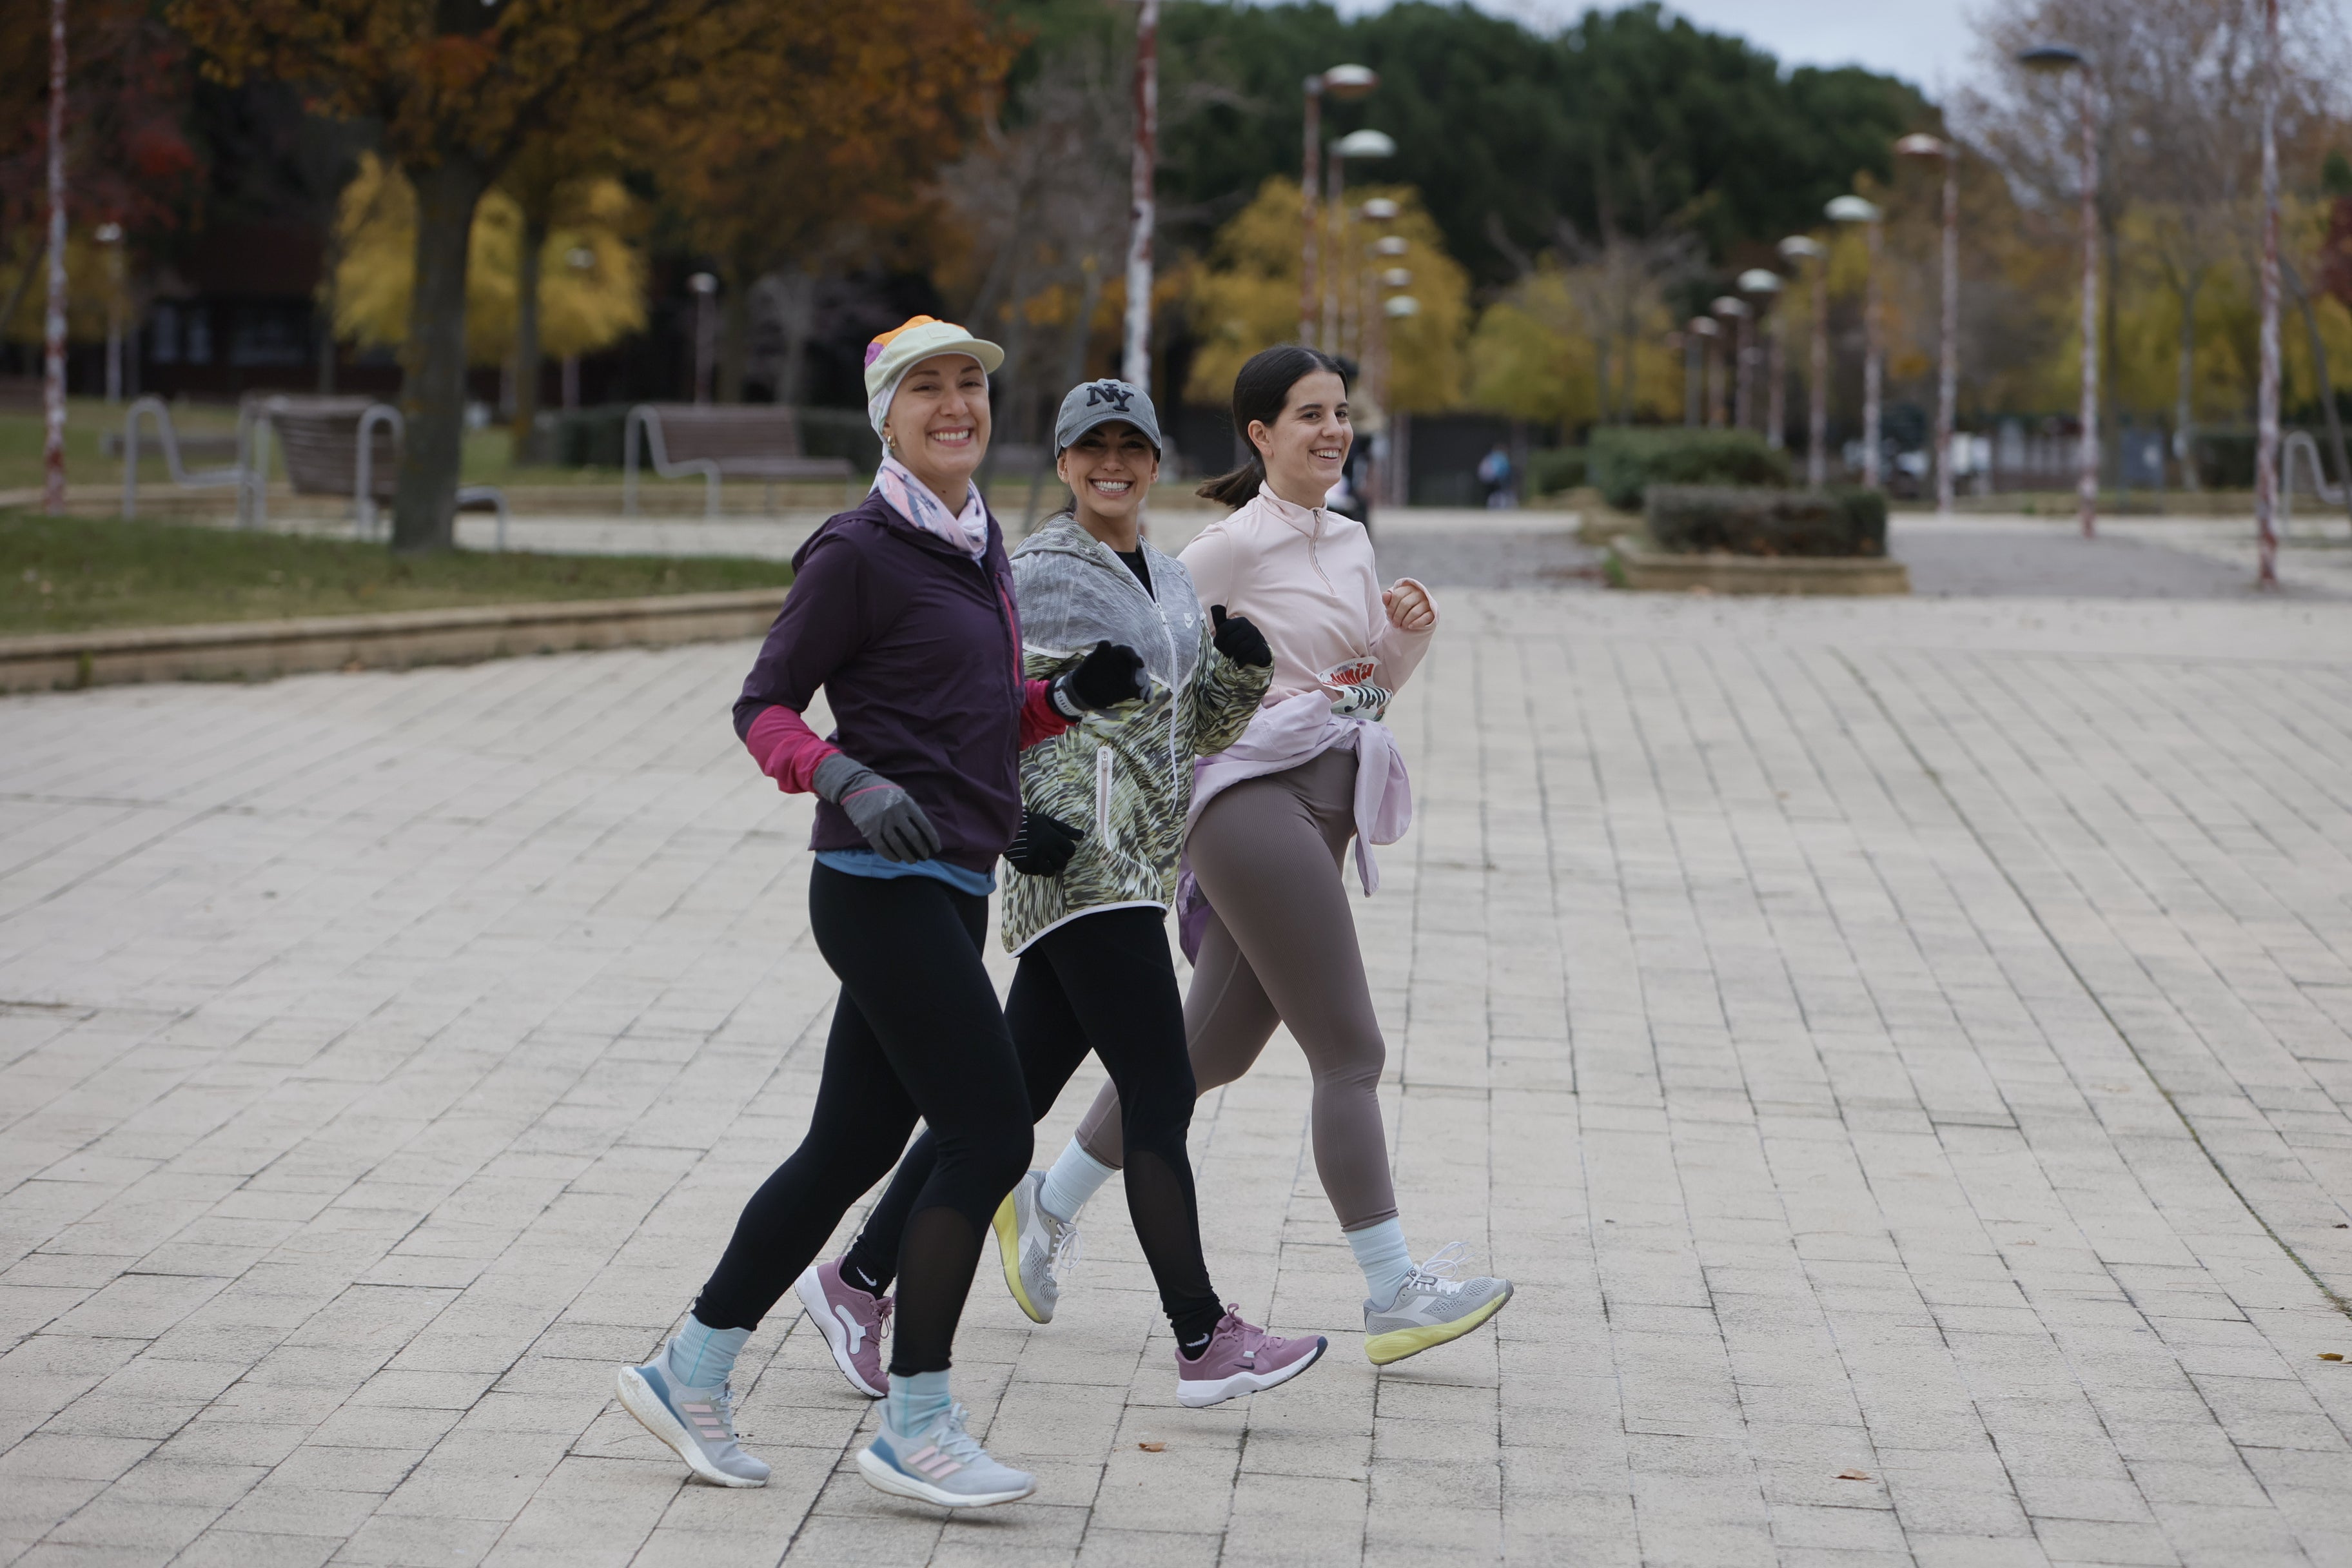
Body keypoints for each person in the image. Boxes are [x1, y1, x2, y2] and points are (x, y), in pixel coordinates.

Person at [614, 317, 1148, 1509]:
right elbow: (762, 706)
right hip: (872, 886)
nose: (955, 403)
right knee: (989, 1134)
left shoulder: (976, 543)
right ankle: (919, 1419)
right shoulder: (856, 550)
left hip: (950, 886)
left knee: (851, 1146)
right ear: (886, 415)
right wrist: (840, 775)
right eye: (927, 389)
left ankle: (687, 1367)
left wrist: (1058, 697)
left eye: (970, 385)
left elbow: (967, 718)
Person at [797, 377, 1328, 1411]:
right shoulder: (1034, 571)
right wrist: (1009, 827)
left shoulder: (1172, 580)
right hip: (1075, 864)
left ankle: (857, 1279)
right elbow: (987, 710)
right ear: (1065, 463)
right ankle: (1201, 1336)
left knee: (1007, 1105)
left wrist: (1239, 679)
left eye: (1132, 445)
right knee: (1160, 1099)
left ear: (1157, 460)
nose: (1113, 464)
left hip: (1142, 860)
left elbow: (1188, 738)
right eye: (1094, 449)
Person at [1031, 345, 1514, 1367]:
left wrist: (1403, 649)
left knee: (1210, 1054)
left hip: (1324, 805)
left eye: (1340, 412)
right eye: (1309, 415)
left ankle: (1044, 1200)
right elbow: (1148, 684)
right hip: (1251, 809)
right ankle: (1393, 1292)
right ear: (1260, 435)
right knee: (1351, 1051)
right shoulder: (1224, 551)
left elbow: (1357, 698)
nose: (1332, 431)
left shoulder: (1350, 541)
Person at [1478, 442, 1514, 509]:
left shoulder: (1489, 457)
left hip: (1487, 478)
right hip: (1498, 478)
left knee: (1491, 493)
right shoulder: (1502, 457)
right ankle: (1500, 506)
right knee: (1500, 492)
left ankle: (1491, 505)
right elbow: (1506, 469)